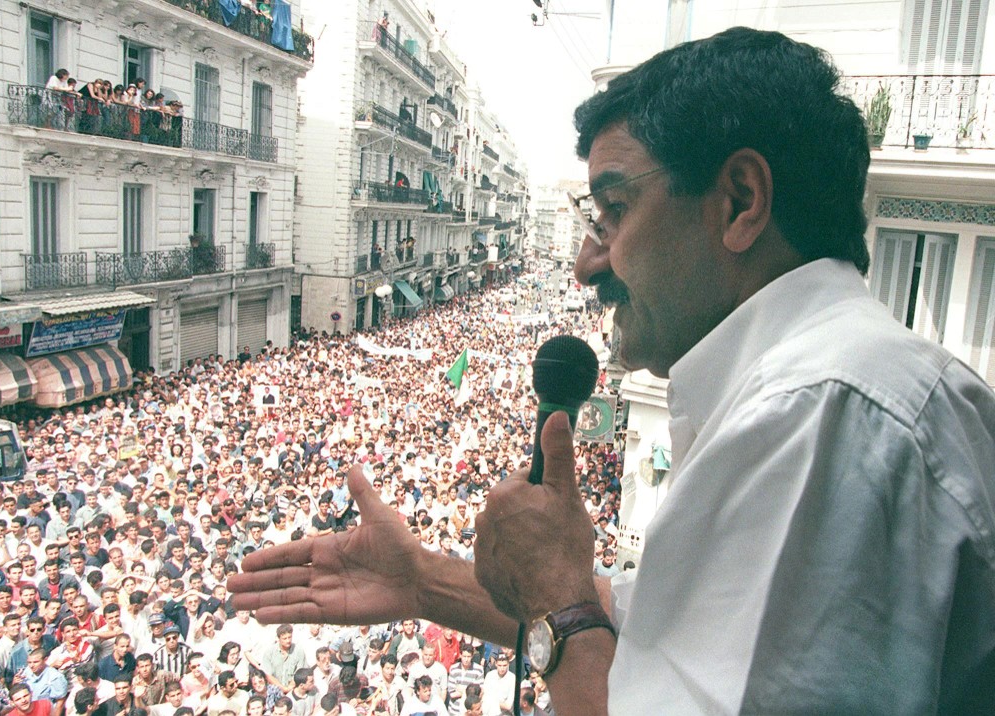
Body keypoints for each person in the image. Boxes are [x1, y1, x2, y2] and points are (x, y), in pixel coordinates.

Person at [227, 26, 995, 716]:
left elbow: (592, 630)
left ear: (739, 201)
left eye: (614, 211)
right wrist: (422, 581)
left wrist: (558, 600)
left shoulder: (823, 417)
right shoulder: (815, 396)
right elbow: (644, 634)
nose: (586, 262)